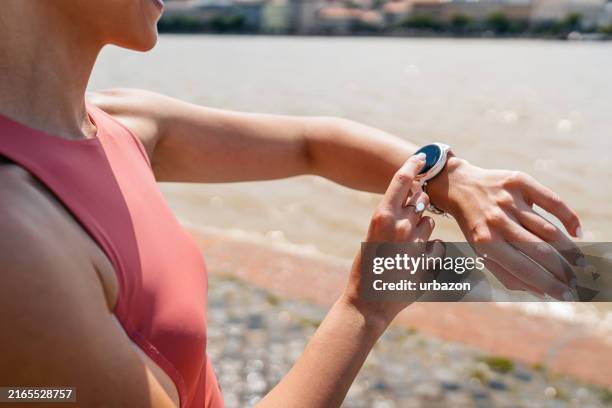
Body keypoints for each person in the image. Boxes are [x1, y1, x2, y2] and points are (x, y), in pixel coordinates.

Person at [0, 1, 583, 407]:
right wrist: (365, 307)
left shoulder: (120, 121)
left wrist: (453, 178)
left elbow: (312, 144)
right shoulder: (16, 246)